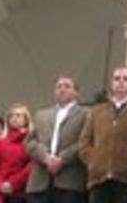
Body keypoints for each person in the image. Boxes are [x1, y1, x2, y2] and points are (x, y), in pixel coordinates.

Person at [79, 66, 127, 203]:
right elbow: (84, 141)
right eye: (117, 79)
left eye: (126, 79)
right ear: (111, 83)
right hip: (99, 178)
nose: (121, 82)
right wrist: (93, 160)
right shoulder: (97, 111)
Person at [24, 75, 89, 203]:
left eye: (67, 86)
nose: (62, 89)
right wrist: (45, 157)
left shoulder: (87, 113)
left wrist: (62, 159)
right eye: (59, 86)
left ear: (76, 92)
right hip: (40, 181)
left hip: (69, 182)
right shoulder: (41, 115)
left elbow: (85, 141)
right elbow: (30, 142)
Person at [0, 104, 32, 203]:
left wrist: (13, 184)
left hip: (19, 192)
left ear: (26, 120)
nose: (15, 118)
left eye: (18, 115)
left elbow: (30, 166)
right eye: (12, 116)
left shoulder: (30, 142)